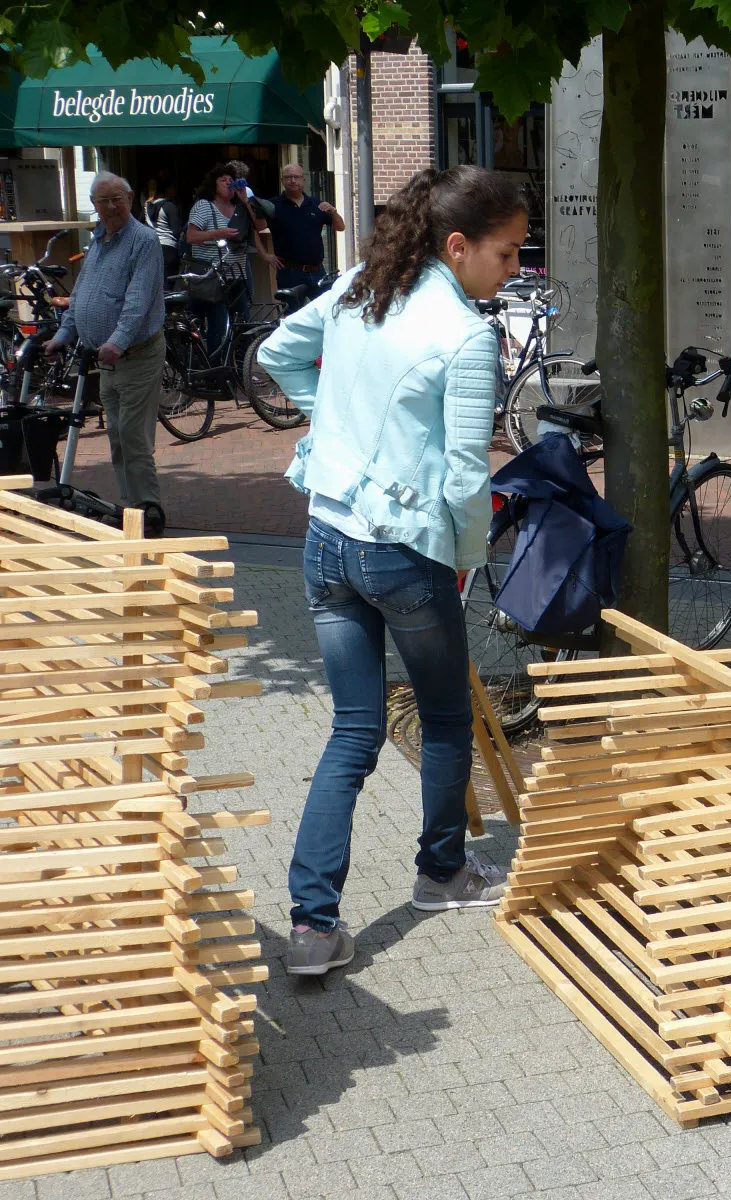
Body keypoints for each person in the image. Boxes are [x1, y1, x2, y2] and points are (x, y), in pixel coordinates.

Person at [257, 165, 526, 977]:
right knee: (445, 718)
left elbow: (275, 353)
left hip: (327, 536)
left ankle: (311, 925)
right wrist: (468, 561)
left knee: (353, 729)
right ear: (457, 245)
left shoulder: (357, 287)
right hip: (407, 553)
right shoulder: (468, 335)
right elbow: (464, 479)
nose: (513, 269)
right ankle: (442, 872)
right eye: (507, 253)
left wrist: (333, 428)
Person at [46, 171, 166, 534]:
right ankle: (131, 508)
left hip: (135, 355)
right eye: (104, 201)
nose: (112, 207)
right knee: (117, 435)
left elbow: (138, 301)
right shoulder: (98, 240)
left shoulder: (143, 241)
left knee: (132, 435)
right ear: (95, 206)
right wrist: (63, 335)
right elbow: (82, 293)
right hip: (107, 359)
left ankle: (149, 511)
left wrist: (117, 341)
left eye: (119, 199)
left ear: (130, 200)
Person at [185, 163, 266, 362]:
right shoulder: (204, 206)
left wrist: (246, 201)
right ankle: (216, 372)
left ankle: (239, 369)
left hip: (237, 276)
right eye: (223, 180)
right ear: (213, 184)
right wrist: (217, 234)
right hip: (213, 277)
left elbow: (261, 225)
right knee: (218, 327)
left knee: (241, 325)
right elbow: (191, 236)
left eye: (231, 181)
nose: (228, 184)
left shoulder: (240, 207)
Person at [268, 164, 345, 297]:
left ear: (303, 179)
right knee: (293, 315)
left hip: (317, 271)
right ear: (282, 181)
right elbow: (254, 229)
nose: (293, 180)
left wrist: (333, 212)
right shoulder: (273, 205)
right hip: (290, 272)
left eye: (296, 177)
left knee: (323, 313)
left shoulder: (316, 204)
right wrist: (265, 255)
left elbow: (340, 227)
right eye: (288, 177)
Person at [143, 170, 183, 279]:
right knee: (168, 287)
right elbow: (176, 231)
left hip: (151, 248)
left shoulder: (146, 206)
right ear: (167, 189)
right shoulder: (169, 206)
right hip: (168, 250)